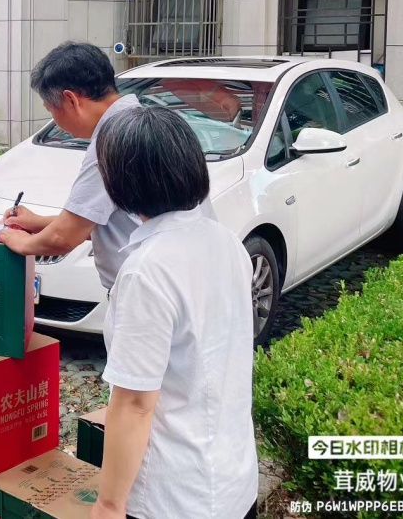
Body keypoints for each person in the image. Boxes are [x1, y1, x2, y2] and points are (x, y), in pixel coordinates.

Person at [87, 106, 258, 519]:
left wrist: (109, 504)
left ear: (121, 184)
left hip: (172, 497)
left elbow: (134, 402)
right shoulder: (227, 243)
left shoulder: (147, 271)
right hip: (235, 481)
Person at [0, 41, 213, 290]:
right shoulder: (143, 123)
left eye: (51, 110)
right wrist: (37, 222)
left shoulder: (112, 141)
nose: (55, 121)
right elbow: (106, 222)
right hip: (182, 278)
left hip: (148, 287)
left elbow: (64, 236)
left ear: (71, 100)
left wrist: (18, 241)